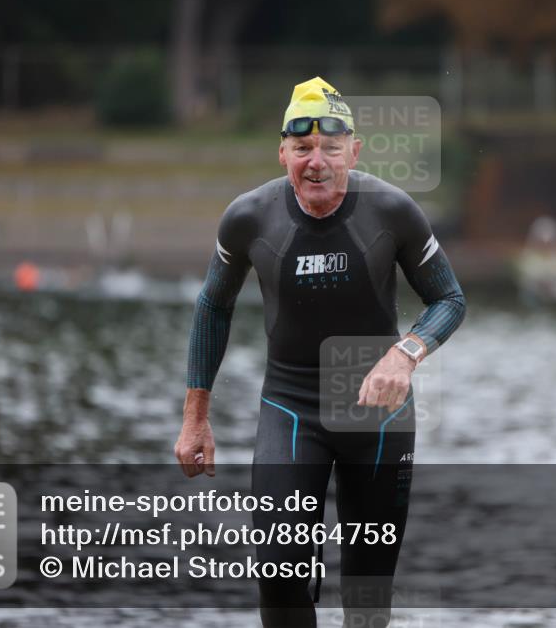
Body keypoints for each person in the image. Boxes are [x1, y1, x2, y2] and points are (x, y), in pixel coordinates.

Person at [174, 77, 466, 627]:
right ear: (282, 150)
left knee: (366, 600)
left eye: (331, 149)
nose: (317, 163)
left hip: (376, 413)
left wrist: (404, 355)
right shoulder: (248, 217)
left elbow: (449, 298)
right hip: (289, 408)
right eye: (302, 148)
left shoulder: (393, 211)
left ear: (353, 151)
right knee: (280, 579)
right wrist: (196, 420)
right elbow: (213, 306)